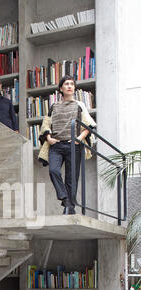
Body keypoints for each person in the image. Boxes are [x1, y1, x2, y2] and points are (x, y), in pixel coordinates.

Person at [38, 75, 96, 214]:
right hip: (56, 145)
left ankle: (69, 208)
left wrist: (79, 138)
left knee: (71, 178)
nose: (69, 86)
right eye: (66, 84)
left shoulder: (79, 105)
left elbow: (89, 125)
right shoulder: (54, 106)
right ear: (61, 88)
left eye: (72, 84)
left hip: (73, 146)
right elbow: (46, 124)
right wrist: (49, 138)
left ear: (74, 88)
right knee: (53, 171)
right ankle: (66, 200)